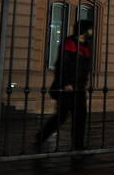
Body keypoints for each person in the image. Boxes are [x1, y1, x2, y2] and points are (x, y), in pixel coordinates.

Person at [37, 20, 94, 152]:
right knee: (61, 117)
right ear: (84, 30)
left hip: (79, 88)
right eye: (90, 29)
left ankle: (78, 147)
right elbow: (62, 64)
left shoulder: (86, 46)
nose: (92, 32)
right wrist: (66, 83)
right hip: (68, 88)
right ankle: (41, 137)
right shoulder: (69, 43)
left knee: (80, 118)